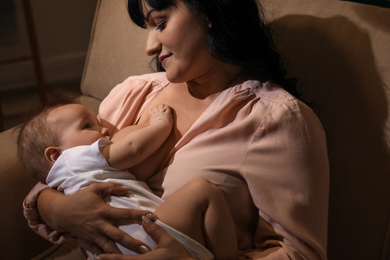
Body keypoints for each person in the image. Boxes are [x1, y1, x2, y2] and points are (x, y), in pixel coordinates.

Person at [23, 0, 330, 259]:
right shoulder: (134, 92)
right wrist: (60, 211)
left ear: (210, 11)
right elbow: (65, 167)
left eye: (160, 23)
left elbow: (299, 254)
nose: (149, 47)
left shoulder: (274, 119)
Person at [17, 100, 237, 260]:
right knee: (204, 191)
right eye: (87, 126)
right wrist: (160, 124)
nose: (104, 128)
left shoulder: (60, 185)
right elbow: (133, 149)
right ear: (55, 155)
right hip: (152, 230)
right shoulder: (75, 157)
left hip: (110, 251)